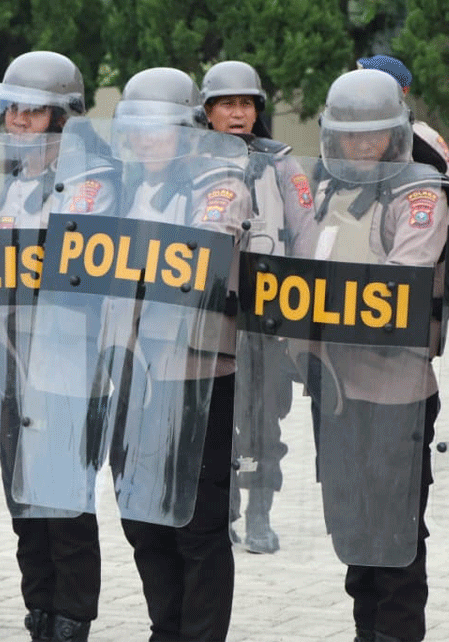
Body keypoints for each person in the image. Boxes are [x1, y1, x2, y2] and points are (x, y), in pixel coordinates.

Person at [106, 67, 249, 642]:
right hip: (132, 370)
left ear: (189, 130)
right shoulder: (121, 186)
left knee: (196, 523)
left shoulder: (221, 182)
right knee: (141, 517)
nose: (147, 140)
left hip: (196, 372)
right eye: (137, 129)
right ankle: (165, 628)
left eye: (160, 129)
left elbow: (204, 256)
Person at [306, 68, 448, 642]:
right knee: (355, 535)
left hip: (395, 394)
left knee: (394, 540)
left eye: (373, 136)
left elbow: (404, 280)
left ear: (396, 136)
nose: (361, 146)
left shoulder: (419, 193)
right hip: (336, 391)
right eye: (349, 136)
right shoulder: (327, 190)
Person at [0, 51, 112, 642]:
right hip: (12, 366)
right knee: (23, 503)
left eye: (34, 112)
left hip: (66, 367)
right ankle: (39, 609)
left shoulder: (91, 186)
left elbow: (79, 280)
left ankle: (72, 616)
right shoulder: (14, 185)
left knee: (65, 505)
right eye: (13, 111)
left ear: (64, 118)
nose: (19, 123)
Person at [199, 60, 317, 554]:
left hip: (269, 317)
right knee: (217, 421)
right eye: (227, 103)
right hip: (211, 320)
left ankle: (261, 511)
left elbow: (308, 238)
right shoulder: (193, 163)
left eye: (246, 103)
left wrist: (303, 320)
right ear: (207, 112)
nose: (238, 112)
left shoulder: (283, 166)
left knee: (264, 421)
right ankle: (223, 511)